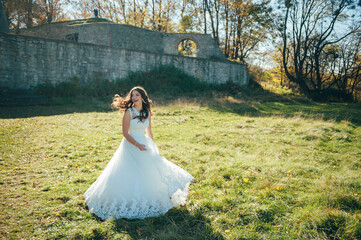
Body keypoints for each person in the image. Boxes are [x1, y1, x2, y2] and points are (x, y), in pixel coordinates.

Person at [84, 86, 193, 220]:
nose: (134, 98)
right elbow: (125, 133)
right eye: (132, 95)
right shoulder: (128, 112)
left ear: (142, 97)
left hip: (144, 144)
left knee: (150, 171)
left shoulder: (147, 112)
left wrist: (152, 146)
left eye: (137, 95)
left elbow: (149, 131)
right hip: (130, 145)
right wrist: (137, 144)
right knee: (128, 172)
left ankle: (150, 197)